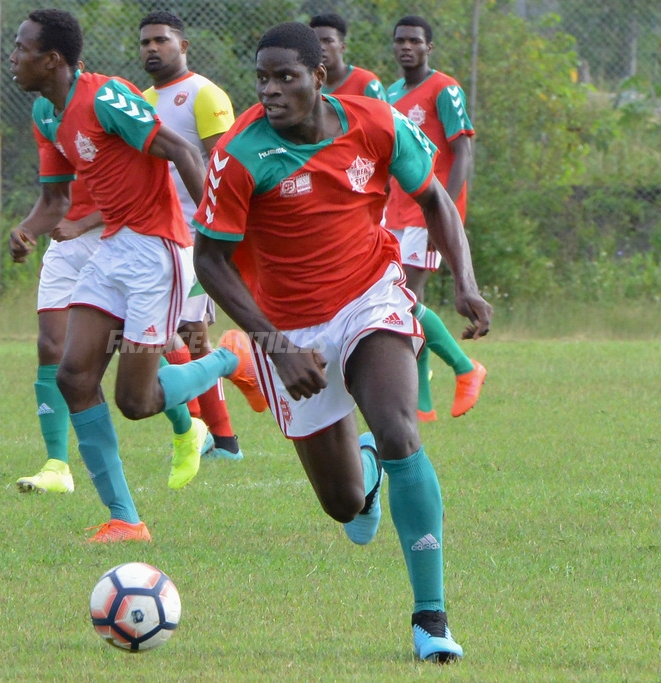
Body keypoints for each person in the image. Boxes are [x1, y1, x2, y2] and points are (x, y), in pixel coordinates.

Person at [193, 22, 492, 662]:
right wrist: (273, 344)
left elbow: (435, 198)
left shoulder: (376, 122)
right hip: (288, 327)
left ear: (319, 76)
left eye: (285, 77)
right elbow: (210, 261)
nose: (271, 90)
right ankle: (368, 478)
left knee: (398, 427)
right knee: (343, 505)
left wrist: (464, 282)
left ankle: (431, 620)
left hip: (369, 293)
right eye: (262, 78)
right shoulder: (241, 154)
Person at [7, 8, 252, 543]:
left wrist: (212, 236)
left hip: (155, 254)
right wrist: (28, 229)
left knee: (136, 403)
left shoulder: (105, 96)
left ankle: (231, 358)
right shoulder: (50, 114)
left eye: (22, 48)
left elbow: (183, 150)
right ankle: (126, 520)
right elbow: (56, 200)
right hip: (114, 250)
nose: (14, 57)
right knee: (74, 377)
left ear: (51, 60)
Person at [138, 10, 258, 461]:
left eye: (161, 41)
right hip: (153, 237)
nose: (152, 48)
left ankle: (211, 435)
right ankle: (218, 438)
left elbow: (228, 165)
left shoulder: (204, 95)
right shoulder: (141, 99)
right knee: (182, 336)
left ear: (183, 46)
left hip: (195, 238)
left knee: (184, 334)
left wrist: (224, 233)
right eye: (145, 42)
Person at [384, 15, 486, 422]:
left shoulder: (445, 88)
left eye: (415, 41)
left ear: (429, 48)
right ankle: (423, 403)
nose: (406, 47)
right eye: (400, 41)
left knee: (404, 296)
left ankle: (465, 368)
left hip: (426, 213)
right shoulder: (390, 93)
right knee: (407, 300)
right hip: (393, 212)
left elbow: (462, 153)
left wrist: (445, 217)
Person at [15, 178, 102, 494]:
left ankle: (188, 427)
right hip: (66, 242)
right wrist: (28, 229)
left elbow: (139, 192)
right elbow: (54, 195)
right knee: (51, 346)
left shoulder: (120, 126)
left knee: (135, 348)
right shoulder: (48, 127)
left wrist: (81, 225)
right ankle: (57, 467)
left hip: (120, 238)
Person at [309, 13, 387, 101]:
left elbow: (384, 114)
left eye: (328, 41)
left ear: (343, 46)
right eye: (316, 41)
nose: (321, 47)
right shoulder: (308, 85)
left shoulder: (366, 83)